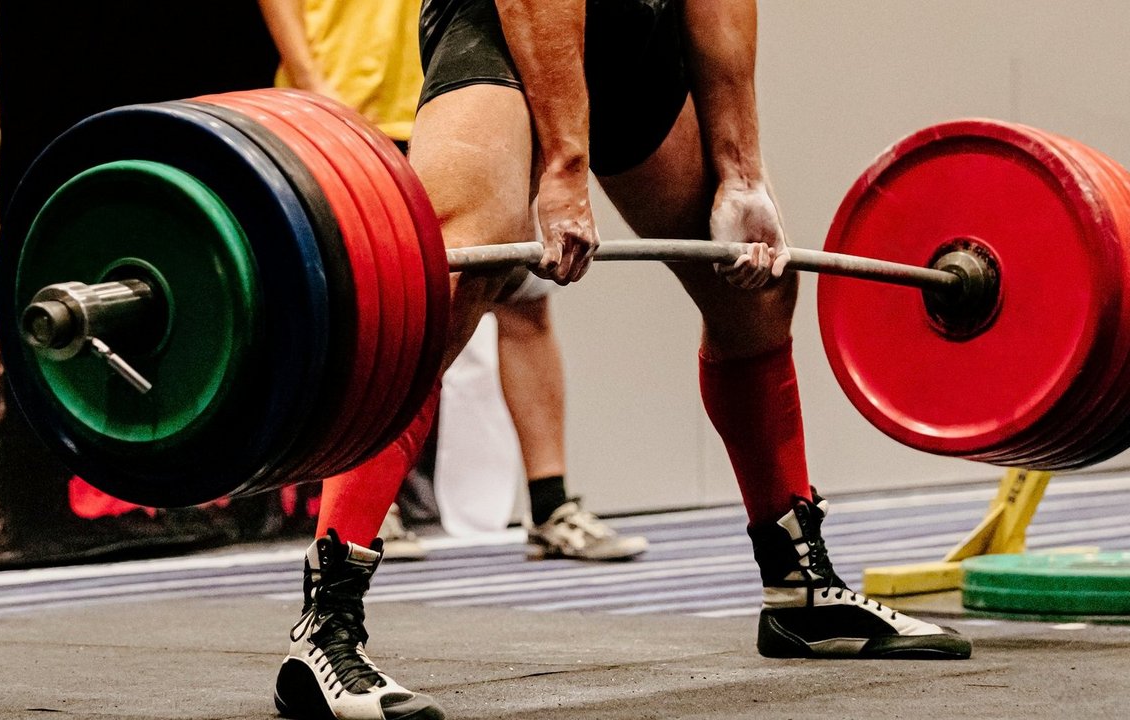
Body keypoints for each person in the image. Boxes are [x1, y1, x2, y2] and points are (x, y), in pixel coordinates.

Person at [265, 0, 974, 718]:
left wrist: (741, 171)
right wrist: (564, 165)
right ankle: (323, 629)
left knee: (754, 290)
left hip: (632, 21)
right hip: (505, 20)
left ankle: (800, 589)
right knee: (448, 284)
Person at [260, 0, 645, 566]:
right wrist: (321, 96)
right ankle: (362, 516)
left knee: (522, 306)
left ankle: (551, 505)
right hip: (343, 122)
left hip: (449, 98)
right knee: (385, 321)